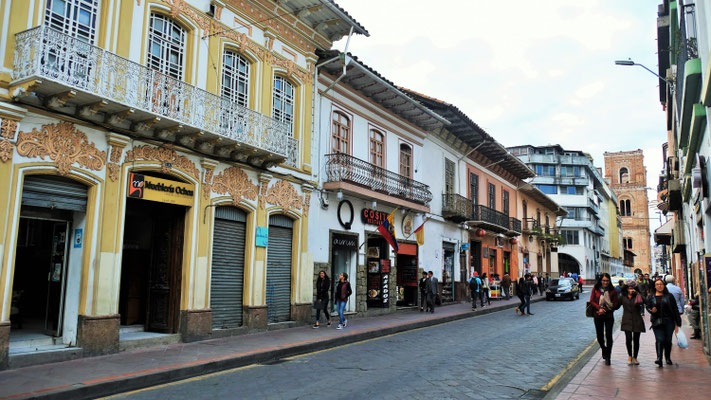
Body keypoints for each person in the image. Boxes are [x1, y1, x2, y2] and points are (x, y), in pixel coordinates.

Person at [646, 278, 682, 367]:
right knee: (659, 339)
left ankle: (668, 358)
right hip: (657, 322)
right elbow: (648, 307)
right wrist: (652, 310)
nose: (659, 286)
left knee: (668, 340)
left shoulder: (669, 296)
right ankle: (659, 358)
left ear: (664, 285)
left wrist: (678, 322)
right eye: (657, 284)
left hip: (669, 321)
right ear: (654, 286)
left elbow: (675, 309)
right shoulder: (651, 297)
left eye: (661, 284)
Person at [589, 273, 619, 365]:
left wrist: (605, 310)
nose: (605, 282)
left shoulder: (613, 291)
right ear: (600, 281)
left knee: (609, 336)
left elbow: (615, 304)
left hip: (609, 316)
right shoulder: (596, 289)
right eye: (603, 280)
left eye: (607, 280)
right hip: (598, 315)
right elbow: (592, 301)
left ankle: (608, 356)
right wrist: (599, 309)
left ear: (609, 281)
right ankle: (604, 349)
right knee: (600, 337)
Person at [620, 280, 645, 365]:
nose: (631, 290)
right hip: (627, 320)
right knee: (628, 339)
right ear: (627, 289)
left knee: (636, 340)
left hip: (637, 320)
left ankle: (635, 357)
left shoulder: (638, 296)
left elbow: (644, 301)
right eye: (630, 288)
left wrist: (638, 293)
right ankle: (630, 356)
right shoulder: (623, 296)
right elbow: (615, 305)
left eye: (633, 288)